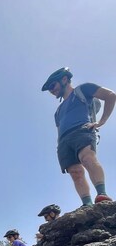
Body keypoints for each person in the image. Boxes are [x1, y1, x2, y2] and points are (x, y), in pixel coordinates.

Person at [42, 67, 116, 206]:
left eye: (52, 85)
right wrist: (60, 144)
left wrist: (101, 122)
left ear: (64, 79)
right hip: (64, 140)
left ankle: (102, 194)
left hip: (82, 129)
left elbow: (111, 96)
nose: (51, 91)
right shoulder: (58, 111)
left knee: (87, 158)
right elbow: (59, 129)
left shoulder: (83, 89)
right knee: (75, 172)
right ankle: (86, 204)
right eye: (49, 89)